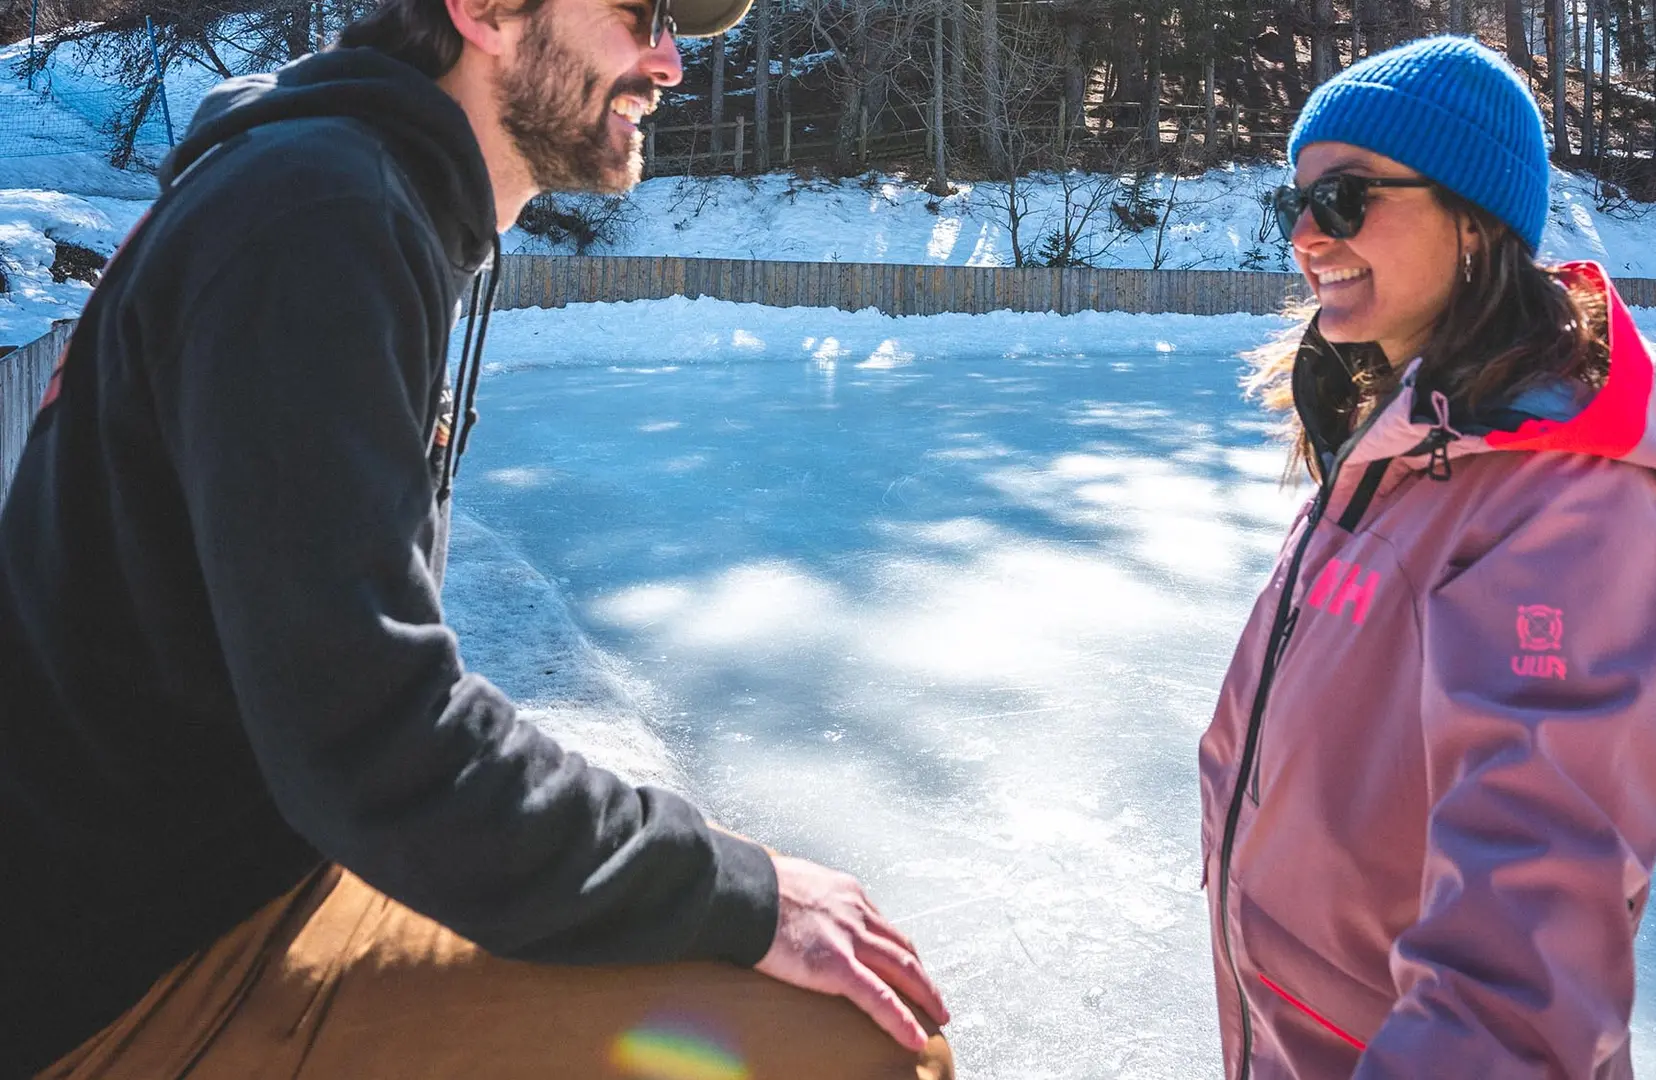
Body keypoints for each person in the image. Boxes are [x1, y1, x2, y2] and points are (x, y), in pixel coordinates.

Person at [0, 0, 950, 1075]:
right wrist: (738, 889)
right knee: (855, 1052)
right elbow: (371, 743)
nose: (671, 64)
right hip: (129, 986)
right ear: (486, 10)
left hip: (241, 884)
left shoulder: (345, 189)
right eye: (640, 13)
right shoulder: (317, 217)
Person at [1198, 36, 1656, 1079]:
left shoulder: (1567, 503)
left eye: (1342, 200)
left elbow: (1525, 948)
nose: (1303, 237)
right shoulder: (1393, 435)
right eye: (1289, 203)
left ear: (1474, 221)